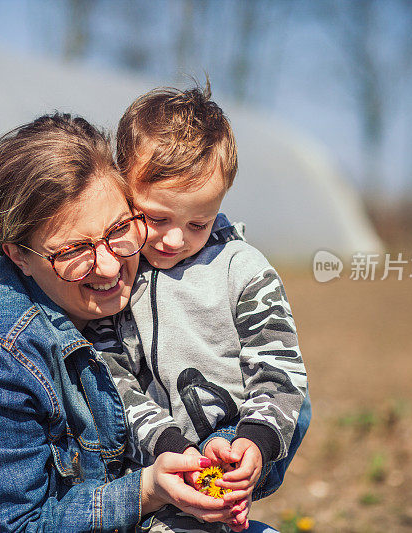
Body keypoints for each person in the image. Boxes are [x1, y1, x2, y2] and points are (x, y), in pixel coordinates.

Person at [0, 113, 240, 532]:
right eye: (74, 249)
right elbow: (9, 527)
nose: (110, 264)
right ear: (18, 254)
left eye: (119, 228)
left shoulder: (148, 294)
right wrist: (146, 491)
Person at [87, 84, 311, 532]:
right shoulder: (116, 269)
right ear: (123, 186)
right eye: (156, 218)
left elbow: (280, 372)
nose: (174, 240)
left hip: (228, 441)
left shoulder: (243, 271)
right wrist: (168, 444)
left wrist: (256, 443)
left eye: (198, 224)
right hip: (148, 459)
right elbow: (113, 378)